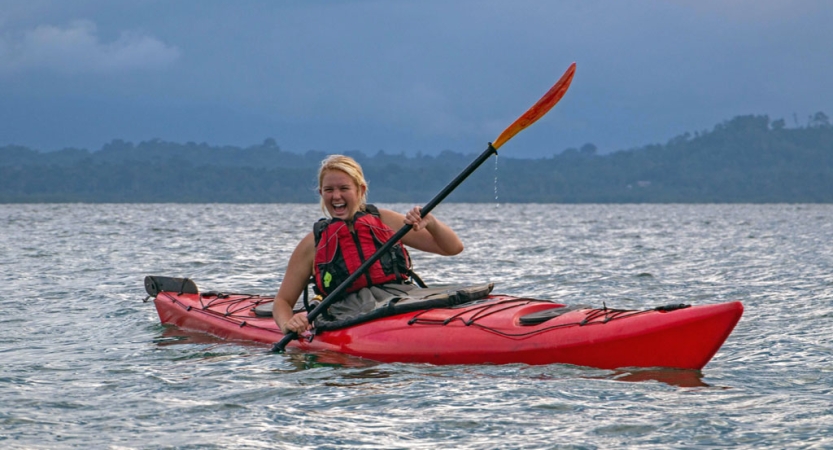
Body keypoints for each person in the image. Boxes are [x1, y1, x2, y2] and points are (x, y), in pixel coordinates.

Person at [273, 154, 464, 335]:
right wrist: (287, 324)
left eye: (344, 188)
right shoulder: (312, 243)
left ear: (361, 190)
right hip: (346, 311)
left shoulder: (386, 221)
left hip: (402, 298)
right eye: (329, 190)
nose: (336, 196)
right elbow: (283, 301)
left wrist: (431, 222)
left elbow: (453, 248)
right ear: (321, 193)